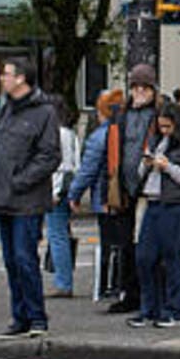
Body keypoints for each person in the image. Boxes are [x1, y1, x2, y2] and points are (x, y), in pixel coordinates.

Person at [0, 57, 60, 339]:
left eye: (6, 74)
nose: (2, 78)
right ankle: (20, 317)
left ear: (21, 78)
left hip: (27, 200)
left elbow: (49, 155)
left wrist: (19, 181)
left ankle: (37, 317)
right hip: (3, 197)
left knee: (25, 258)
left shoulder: (44, 112)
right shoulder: (7, 110)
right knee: (11, 261)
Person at [128, 103, 180, 328]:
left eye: (168, 127)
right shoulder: (157, 141)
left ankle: (174, 309)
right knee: (144, 258)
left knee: (171, 258)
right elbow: (141, 174)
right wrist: (145, 164)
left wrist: (168, 167)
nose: (164, 131)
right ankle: (149, 308)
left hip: (177, 205)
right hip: (153, 201)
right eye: (161, 126)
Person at [106, 64, 162, 314]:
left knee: (146, 246)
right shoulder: (120, 115)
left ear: (153, 89)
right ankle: (130, 293)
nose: (139, 91)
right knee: (126, 245)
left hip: (149, 188)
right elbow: (110, 151)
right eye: (135, 87)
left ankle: (147, 295)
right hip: (124, 188)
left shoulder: (159, 114)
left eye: (145, 87)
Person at [68, 89, 123, 298]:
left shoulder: (100, 136)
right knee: (123, 243)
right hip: (126, 197)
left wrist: (74, 194)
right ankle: (120, 284)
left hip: (106, 196)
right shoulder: (127, 131)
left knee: (108, 243)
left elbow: (88, 170)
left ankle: (107, 285)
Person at [44, 98, 82, 299]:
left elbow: (61, 167)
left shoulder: (55, 135)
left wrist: (54, 192)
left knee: (57, 235)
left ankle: (63, 282)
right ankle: (64, 279)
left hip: (57, 187)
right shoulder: (70, 134)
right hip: (69, 187)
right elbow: (75, 165)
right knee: (62, 234)